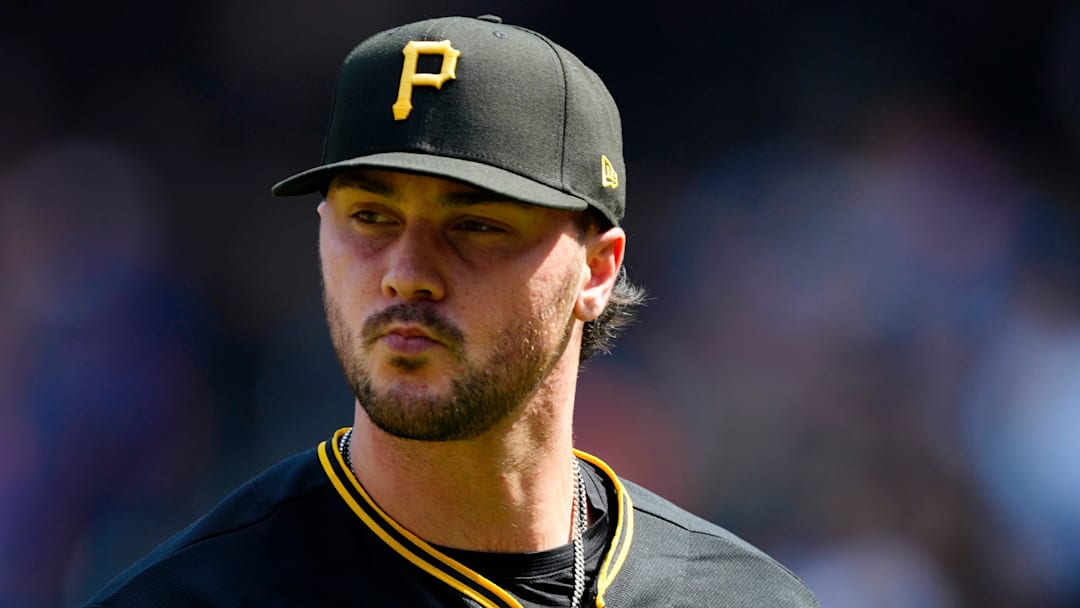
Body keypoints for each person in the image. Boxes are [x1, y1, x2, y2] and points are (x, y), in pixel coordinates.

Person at [83, 14, 819, 607]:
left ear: (597, 270)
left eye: (474, 225)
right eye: (370, 217)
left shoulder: (739, 597)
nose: (406, 275)